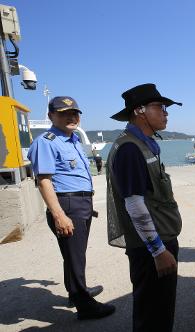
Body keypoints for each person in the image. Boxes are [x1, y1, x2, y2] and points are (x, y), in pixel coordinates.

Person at [27, 96, 115, 320]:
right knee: (75, 256)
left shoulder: (73, 139)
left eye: (74, 113)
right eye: (64, 113)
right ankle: (84, 305)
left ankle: (77, 291)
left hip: (80, 203)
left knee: (75, 254)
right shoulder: (46, 142)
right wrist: (59, 215)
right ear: (51, 116)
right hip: (67, 205)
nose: (71, 117)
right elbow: (44, 181)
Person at [106, 83, 183, 331]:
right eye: (160, 107)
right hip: (151, 249)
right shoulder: (130, 148)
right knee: (153, 315)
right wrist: (158, 251)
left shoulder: (142, 144)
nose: (166, 112)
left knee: (158, 310)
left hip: (157, 241)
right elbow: (135, 205)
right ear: (140, 111)